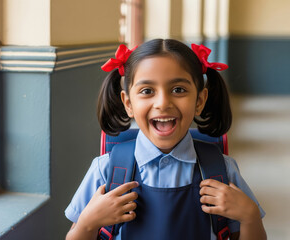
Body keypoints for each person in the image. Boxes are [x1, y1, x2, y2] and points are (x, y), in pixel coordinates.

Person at [64, 39, 266, 240]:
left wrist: (250, 217)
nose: (162, 103)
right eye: (147, 91)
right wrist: (88, 223)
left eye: (178, 89)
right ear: (128, 103)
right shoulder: (105, 170)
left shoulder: (223, 169)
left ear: (200, 101)